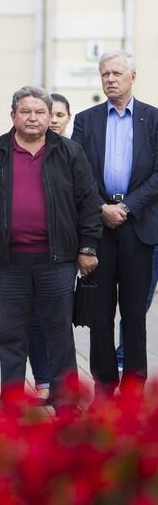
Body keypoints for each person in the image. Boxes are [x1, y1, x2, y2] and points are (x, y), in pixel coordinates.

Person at [0, 86, 102, 413]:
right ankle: (12, 401)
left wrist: (88, 247)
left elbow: (88, 202)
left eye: (41, 112)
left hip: (57, 260)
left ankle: (64, 399)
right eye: (26, 111)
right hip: (9, 261)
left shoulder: (69, 153)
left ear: (49, 117)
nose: (33, 118)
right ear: (13, 115)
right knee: (11, 335)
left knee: (59, 334)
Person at [72, 51, 158, 400]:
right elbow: (78, 173)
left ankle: (135, 387)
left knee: (135, 314)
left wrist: (127, 206)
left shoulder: (153, 119)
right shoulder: (86, 120)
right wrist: (102, 207)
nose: (110, 79)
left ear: (132, 77)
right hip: (99, 229)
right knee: (100, 313)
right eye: (105, 73)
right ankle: (105, 386)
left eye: (117, 73)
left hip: (139, 228)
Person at [24, 92, 73, 402]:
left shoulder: (74, 152)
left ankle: (64, 384)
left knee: (60, 318)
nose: (53, 120)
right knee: (34, 318)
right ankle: (43, 379)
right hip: (31, 252)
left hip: (69, 250)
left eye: (59, 115)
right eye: (49, 114)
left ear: (68, 118)